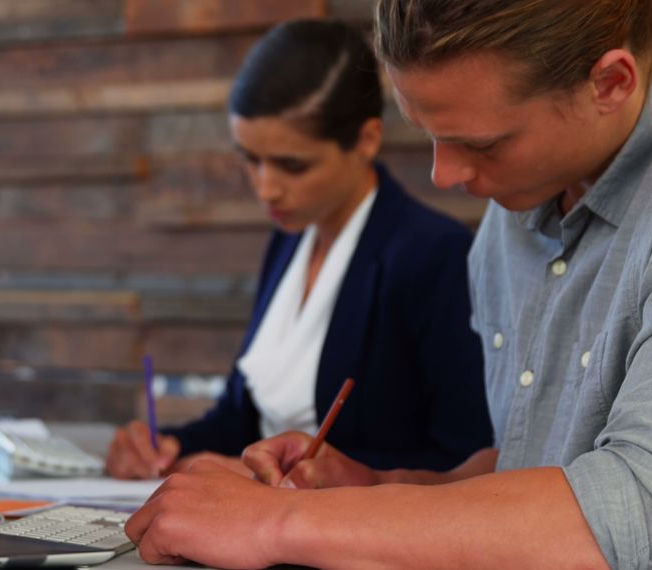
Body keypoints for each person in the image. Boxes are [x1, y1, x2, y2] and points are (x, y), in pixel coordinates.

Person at [124, 1, 652, 568]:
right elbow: (533, 464)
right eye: (428, 133)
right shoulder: (515, 214)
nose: (443, 176)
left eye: (483, 143)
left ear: (610, 82)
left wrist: (283, 523)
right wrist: (382, 490)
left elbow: (650, 521)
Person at [106, 19, 493, 480]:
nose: (266, 189)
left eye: (292, 165)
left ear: (367, 140)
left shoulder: (432, 254)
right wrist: (165, 448)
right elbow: (239, 421)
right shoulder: (290, 240)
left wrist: (274, 476)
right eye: (250, 159)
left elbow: (463, 463)